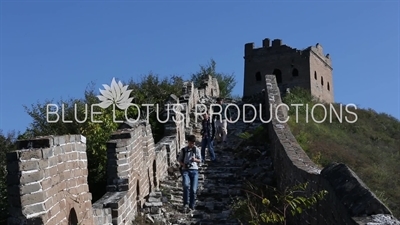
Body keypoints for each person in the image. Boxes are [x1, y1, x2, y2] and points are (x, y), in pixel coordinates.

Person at [178, 135, 202, 211]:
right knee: (185, 185)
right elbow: (179, 160)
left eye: (193, 143)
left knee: (193, 189)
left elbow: (200, 160)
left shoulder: (197, 150)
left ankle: (192, 205)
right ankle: (186, 203)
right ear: (188, 142)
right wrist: (183, 164)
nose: (192, 144)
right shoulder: (184, 150)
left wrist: (195, 159)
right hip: (186, 170)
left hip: (194, 170)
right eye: (191, 143)